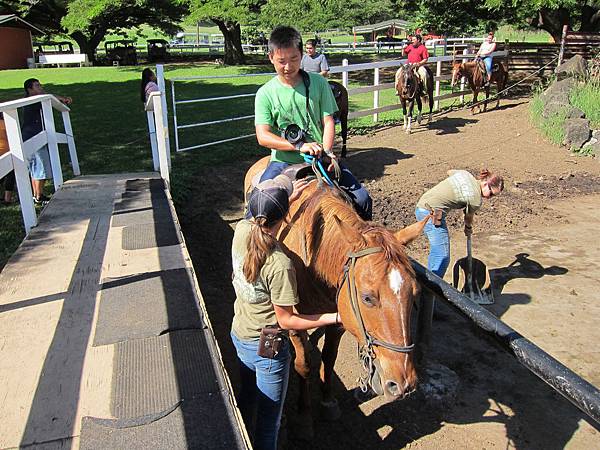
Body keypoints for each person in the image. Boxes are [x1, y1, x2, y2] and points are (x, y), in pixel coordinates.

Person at [231, 175, 338, 450]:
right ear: (285, 217)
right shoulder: (280, 264)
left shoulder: (241, 232)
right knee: (270, 424)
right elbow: (287, 320)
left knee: (247, 399)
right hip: (268, 350)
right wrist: (335, 317)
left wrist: (282, 202)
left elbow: (255, 218)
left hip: (240, 334)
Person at [255, 26, 372, 220]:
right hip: (283, 161)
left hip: (320, 158)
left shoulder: (319, 83)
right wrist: (300, 146)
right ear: (270, 58)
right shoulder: (265, 93)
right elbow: (263, 136)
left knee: (362, 199)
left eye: (293, 59)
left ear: (301, 55)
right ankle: (251, 249)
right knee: (258, 207)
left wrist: (325, 152)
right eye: (281, 61)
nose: (288, 66)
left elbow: (328, 122)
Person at [414, 169, 504, 278]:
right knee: (442, 255)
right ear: (485, 184)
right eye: (491, 194)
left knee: (437, 249)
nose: (490, 198)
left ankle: (429, 279)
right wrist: (468, 228)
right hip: (430, 214)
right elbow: (468, 217)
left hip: (422, 204)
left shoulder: (465, 174)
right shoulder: (475, 199)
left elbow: (449, 171)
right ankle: (431, 287)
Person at [22, 79, 72, 205]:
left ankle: (37, 195)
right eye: (37, 86)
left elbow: (48, 97)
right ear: (30, 89)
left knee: (35, 168)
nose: (40, 87)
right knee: (40, 168)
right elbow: (48, 97)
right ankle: (39, 197)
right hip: (34, 137)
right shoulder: (33, 100)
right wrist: (63, 99)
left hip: (29, 137)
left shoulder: (34, 100)